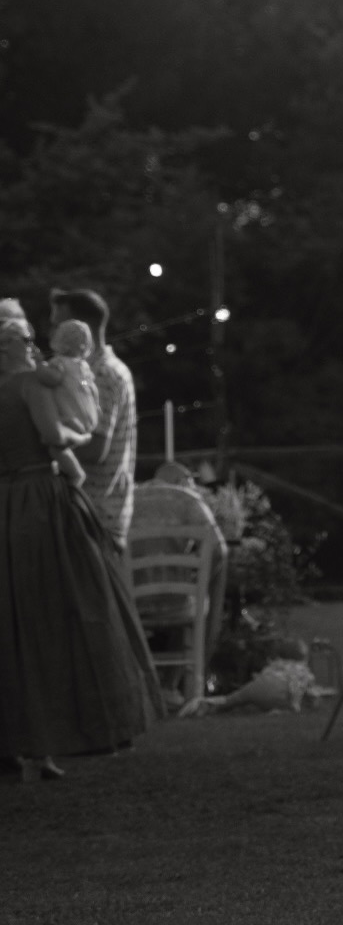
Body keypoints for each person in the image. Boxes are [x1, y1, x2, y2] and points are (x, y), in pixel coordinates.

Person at [0, 311, 162, 781]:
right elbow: (53, 438)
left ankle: (10, 746)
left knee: (9, 623)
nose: (33, 346)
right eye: (26, 339)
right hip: (39, 501)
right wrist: (81, 436)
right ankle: (47, 743)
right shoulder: (29, 385)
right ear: (9, 346)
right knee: (55, 618)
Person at [132, 460, 229, 702]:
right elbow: (218, 551)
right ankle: (179, 682)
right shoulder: (187, 499)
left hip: (131, 604)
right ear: (180, 481)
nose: (195, 487)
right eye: (191, 482)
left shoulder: (127, 498)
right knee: (205, 590)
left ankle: (141, 686)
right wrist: (196, 573)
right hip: (178, 603)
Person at [49, 287, 136, 554]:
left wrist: (45, 441)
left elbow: (97, 449)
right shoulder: (97, 371)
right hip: (90, 512)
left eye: (58, 325)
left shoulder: (102, 374)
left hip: (95, 515)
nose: (53, 334)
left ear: (82, 327)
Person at [33, 318, 100, 487]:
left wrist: (38, 365)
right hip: (89, 420)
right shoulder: (83, 366)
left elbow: (52, 379)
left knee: (54, 446)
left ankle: (75, 474)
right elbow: (91, 389)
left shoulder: (59, 363)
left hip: (71, 419)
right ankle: (64, 469)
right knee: (64, 448)